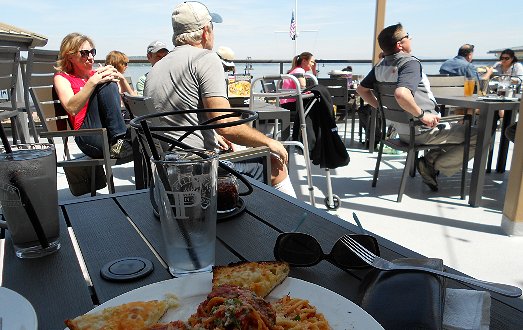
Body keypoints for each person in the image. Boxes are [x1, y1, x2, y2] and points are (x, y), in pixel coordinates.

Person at [144, 1, 296, 197]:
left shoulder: (155, 69)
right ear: (206, 30)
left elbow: (180, 118)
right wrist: (268, 142)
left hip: (168, 174)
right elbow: (225, 124)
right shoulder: (205, 59)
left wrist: (214, 135)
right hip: (201, 174)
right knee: (275, 162)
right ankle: (297, 222)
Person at [356, 23, 477, 191]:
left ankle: (430, 161)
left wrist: (384, 110)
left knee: (455, 131)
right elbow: (401, 94)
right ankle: (432, 165)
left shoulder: (380, 66)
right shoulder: (409, 63)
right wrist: (422, 115)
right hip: (422, 130)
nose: (410, 39)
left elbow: (361, 90)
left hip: (402, 131)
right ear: (400, 44)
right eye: (408, 36)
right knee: (479, 135)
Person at [54, 32, 132, 160]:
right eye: (84, 53)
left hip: (107, 133)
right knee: (107, 84)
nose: (90, 57)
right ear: (70, 56)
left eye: (92, 52)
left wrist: (118, 78)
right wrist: (93, 82)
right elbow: (71, 109)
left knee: (146, 136)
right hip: (89, 137)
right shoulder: (62, 78)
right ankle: (120, 140)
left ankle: (122, 141)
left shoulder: (95, 75)